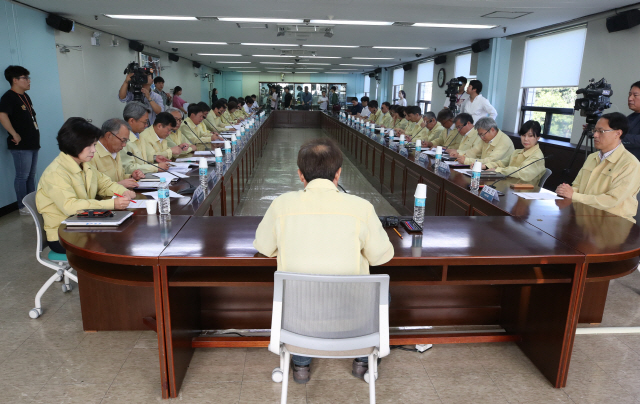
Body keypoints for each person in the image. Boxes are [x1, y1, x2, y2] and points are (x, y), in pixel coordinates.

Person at [253, 137, 394, 384]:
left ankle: (300, 365)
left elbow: (265, 248)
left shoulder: (281, 205)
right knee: (383, 295)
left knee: (299, 298)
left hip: (299, 317)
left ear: (300, 175)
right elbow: (380, 256)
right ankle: (362, 361)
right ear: (338, 174)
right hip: (352, 314)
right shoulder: (361, 207)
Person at [36, 118, 135, 254]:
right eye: (90, 146)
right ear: (75, 144)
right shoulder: (55, 173)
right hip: (64, 234)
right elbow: (71, 206)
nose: (94, 150)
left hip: (84, 225)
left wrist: (123, 191)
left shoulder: (85, 165)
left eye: (94, 145)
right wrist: (112, 204)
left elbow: (104, 184)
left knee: (123, 235)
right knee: (114, 244)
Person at [556, 112, 640, 223]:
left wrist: (574, 195)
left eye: (601, 131)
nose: (595, 135)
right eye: (595, 131)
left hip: (614, 223)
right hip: (586, 217)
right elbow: (577, 186)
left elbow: (611, 200)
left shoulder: (630, 164)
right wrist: (565, 191)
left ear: (618, 133)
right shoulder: (592, 157)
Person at [0, 65, 40, 215]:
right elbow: (2, 115)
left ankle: (32, 202)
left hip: (32, 142)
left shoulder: (25, 96)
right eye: (25, 78)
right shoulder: (8, 97)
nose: (29, 81)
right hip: (21, 145)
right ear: (15, 80)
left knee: (31, 175)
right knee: (22, 176)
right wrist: (14, 133)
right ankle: (22, 206)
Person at [90, 118, 144, 188]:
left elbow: (119, 177)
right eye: (123, 140)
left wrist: (131, 176)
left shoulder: (115, 150)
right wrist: (119, 185)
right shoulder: (92, 155)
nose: (124, 145)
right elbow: (92, 189)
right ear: (108, 135)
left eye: (126, 141)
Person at [120, 102, 169, 175]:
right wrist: (156, 167)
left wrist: (154, 158)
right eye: (144, 122)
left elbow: (141, 159)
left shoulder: (139, 135)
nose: (146, 125)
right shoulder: (122, 140)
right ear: (132, 121)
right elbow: (129, 168)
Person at [449, 117, 514, 167]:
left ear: (492, 130)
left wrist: (467, 161)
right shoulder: (486, 138)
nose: (481, 137)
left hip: (499, 174)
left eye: (482, 134)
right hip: (484, 170)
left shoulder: (504, 141)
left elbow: (490, 161)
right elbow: (474, 152)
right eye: (479, 135)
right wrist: (458, 154)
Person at [622, 81, 640, 161]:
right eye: (629, 95)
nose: (630, 98)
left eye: (635, 95)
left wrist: (616, 137)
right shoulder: (629, 117)